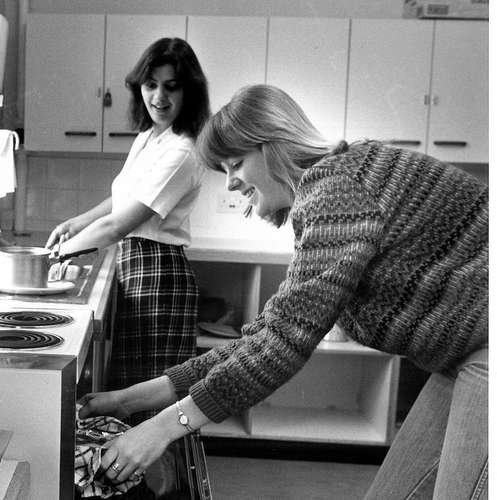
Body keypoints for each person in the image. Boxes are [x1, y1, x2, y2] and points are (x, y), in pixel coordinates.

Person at [78, 84, 488, 499]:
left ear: (272, 146)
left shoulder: (337, 192)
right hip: (461, 359)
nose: (232, 183)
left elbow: (284, 343)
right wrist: (132, 400)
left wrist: (162, 428)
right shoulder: (333, 185)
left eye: (236, 163)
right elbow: (268, 333)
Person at [45, 37, 211, 423]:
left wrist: (58, 253)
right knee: (135, 395)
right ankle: (140, 484)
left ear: (190, 91)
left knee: (151, 403)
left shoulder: (182, 151)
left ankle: (162, 485)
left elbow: (120, 223)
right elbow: (121, 200)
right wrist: (76, 223)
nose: (159, 97)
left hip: (159, 277)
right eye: (151, 85)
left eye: (171, 87)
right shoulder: (149, 138)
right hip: (137, 270)